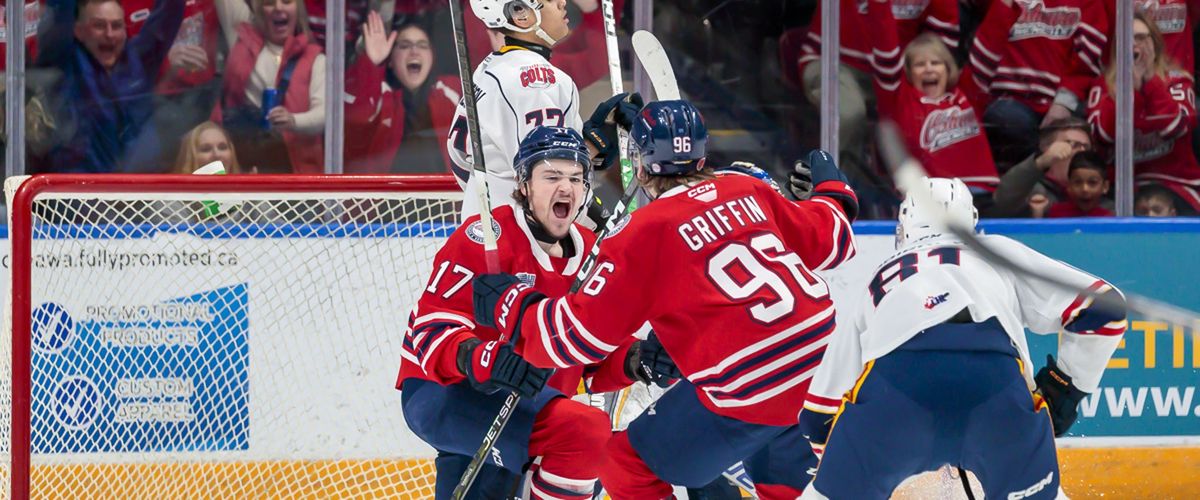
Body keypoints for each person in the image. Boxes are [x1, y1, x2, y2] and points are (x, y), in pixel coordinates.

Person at [470, 100, 860, 499]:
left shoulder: (641, 232)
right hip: (828, 364)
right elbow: (835, 241)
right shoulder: (749, 188)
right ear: (702, 154)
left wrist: (512, 306)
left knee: (623, 464)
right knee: (774, 445)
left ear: (638, 165)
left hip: (750, 383)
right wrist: (833, 189)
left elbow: (574, 339)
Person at [799, 177, 1127, 499]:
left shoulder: (876, 279)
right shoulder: (995, 252)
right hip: (994, 386)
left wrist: (849, 467)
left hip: (895, 389)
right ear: (971, 221)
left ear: (904, 226)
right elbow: (1104, 309)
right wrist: (1064, 390)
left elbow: (817, 418)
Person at [398, 127, 646, 500]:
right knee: (585, 434)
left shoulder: (593, 256)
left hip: (529, 401)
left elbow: (589, 356)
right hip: (445, 391)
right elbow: (430, 329)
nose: (566, 187)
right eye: (551, 176)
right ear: (524, 184)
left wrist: (635, 360)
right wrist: (483, 358)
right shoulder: (485, 237)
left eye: (576, 177)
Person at [447, 0, 641, 218]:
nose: (561, 2)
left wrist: (587, 142)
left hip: (484, 227)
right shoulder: (538, 82)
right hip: (521, 236)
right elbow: (550, 180)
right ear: (520, 15)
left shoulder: (489, 69)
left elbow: (461, 160)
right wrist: (601, 219)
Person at [864, 0, 998, 197]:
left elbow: (991, 42)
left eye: (936, 63)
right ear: (909, 72)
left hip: (979, 194)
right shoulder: (899, 100)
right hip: (929, 201)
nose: (928, 69)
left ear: (948, 68)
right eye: (920, 64)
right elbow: (886, 50)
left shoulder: (967, 90)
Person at [32, 0, 184, 173]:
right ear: (78, 31)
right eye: (98, 26)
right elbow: (60, 14)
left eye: (117, 26)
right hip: (79, 190)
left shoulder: (140, 59)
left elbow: (170, 11)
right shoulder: (64, 60)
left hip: (137, 188)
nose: (109, 34)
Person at [968, 0, 1108, 167]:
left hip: (1062, 103)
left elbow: (1085, 64)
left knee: (1078, 138)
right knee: (1006, 119)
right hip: (1009, 103)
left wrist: (1063, 103)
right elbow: (984, 52)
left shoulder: (1089, 4)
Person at [1088, 12, 1200, 214]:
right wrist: (1127, 87)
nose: (1133, 45)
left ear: (1154, 44)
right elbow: (1102, 135)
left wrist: (1149, 81)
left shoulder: (1177, 81)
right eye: (1127, 38)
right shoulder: (1103, 85)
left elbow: (1175, 127)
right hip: (1125, 188)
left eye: (1140, 37)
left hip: (1177, 185)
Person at [214, 0, 325, 173]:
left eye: (287, 1)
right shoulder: (241, 36)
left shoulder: (316, 60)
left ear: (298, 9)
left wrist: (293, 120)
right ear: (258, 9)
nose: (278, 7)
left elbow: (324, 115)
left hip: (293, 169)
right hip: (241, 160)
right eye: (269, 2)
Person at [345, 13, 461, 173]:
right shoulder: (381, 94)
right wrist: (372, 63)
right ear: (391, 60)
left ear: (432, 57)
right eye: (404, 46)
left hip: (442, 196)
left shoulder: (452, 90)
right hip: (386, 197)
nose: (414, 51)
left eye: (422, 45)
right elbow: (357, 120)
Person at [987, 117, 1093, 218]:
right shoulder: (1028, 189)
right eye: (1073, 145)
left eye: (1086, 147)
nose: (1082, 152)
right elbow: (1001, 202)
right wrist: (1041, 162)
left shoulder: (1096, 192)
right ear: (1046, 148)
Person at [1044, 151, 1112, 218]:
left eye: (1092, 183)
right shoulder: (1055, 213)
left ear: (1105, 187)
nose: (1084, 189)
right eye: (1078, 182)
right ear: (1069, 185)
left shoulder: (1110, 218)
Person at [172, 121, 243, 174]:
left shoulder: (247, 192)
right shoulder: (172, 193)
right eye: (206, 149)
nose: (217, 155)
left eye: (222, 148)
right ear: (190, 157)